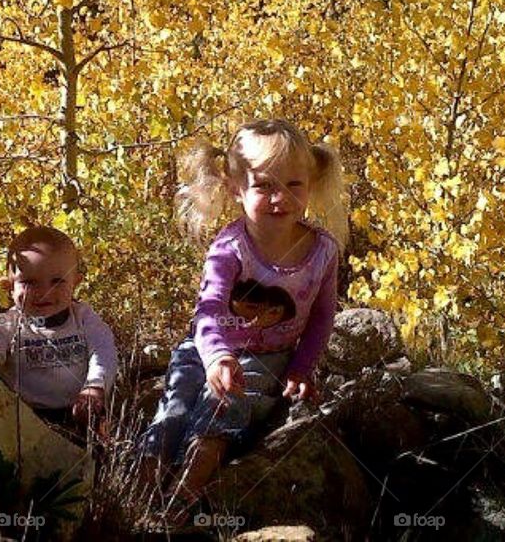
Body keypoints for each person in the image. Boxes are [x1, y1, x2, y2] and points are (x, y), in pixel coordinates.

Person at [138, 119, 348, 525]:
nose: (279, 198)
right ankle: (140, 495)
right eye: (264, 186)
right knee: (175, 407)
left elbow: (322, 316)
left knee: (221, 407)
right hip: (206, 348)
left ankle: (180, 501)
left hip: (267, 355)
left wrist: (302, 366)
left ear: (310, 183)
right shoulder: (230, 247)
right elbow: (210, 308)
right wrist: (216, 357)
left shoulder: (322, 251)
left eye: (293, 185)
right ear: (235, 188)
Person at [0, 225, 118, 440]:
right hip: (24, 415)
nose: (44, 292)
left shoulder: (83, 317)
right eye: (29, 282)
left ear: (75, 283)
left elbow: (103, 350)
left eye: (57, 281)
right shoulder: (7, 324)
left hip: (79, 408)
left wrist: (95, 387)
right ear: (9, 286)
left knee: (97, 439)